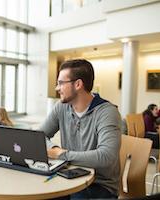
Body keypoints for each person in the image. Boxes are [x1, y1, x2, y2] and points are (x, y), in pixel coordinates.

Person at [39, 59, 121, 199]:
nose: (57, 88)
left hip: (99, 184)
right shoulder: (61, 107)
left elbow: (106, 156)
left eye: (60, 83)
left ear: (78, 84)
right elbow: (39, 136)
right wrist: (54, 148)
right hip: (69, 175)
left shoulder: (107, 112)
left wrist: (61, 154)